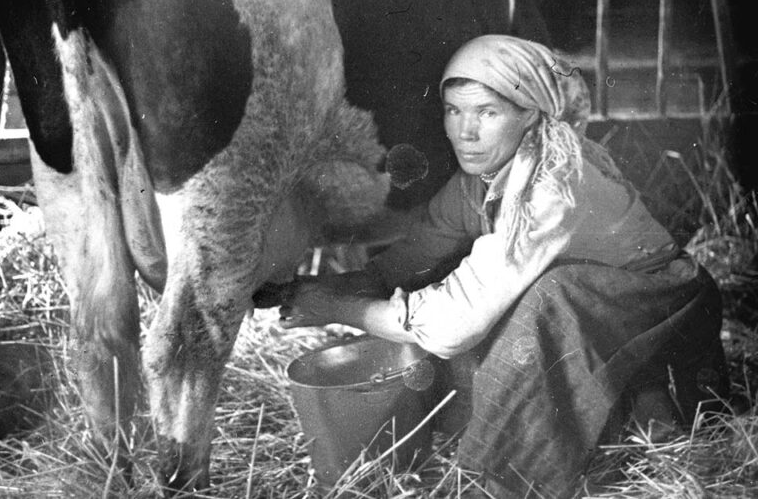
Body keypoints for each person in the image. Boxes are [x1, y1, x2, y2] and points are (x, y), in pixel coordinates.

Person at [257, 35, 730, 497]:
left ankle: (515, 479)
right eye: (454, 110)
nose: (465, 131)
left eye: (487, 112)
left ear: (528, 115)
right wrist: (319, 288)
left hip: (662, 313)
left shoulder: (552, 186)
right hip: (599, 320)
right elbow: (409, 259)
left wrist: (339, 309)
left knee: (548, 297)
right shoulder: (482, 178)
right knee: (472, 277)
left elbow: (452, 326)